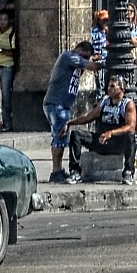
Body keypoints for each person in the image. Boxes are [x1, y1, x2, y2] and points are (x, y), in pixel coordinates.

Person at [67, 74, 137, 183]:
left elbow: (131, 126)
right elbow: (90, 116)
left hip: (117, 143)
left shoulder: (127, 104)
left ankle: (128, 172)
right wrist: (70, 123)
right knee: (76, 135)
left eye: (113, 86)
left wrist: (112, 133)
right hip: (101, 140)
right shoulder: (105, 100)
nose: (109, 89)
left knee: (130, 136)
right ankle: (75, 171)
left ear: (122, 89)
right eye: (109, 86)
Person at [42, 41, 89, 183]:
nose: (85, 60)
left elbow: (82, 70)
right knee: (60, 138)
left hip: (62, 104)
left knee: (60, 137)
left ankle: (58, 170)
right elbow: (90, 66)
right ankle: (56, 171)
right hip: (57, 104)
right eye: (85, 56)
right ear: (79, 49)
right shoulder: (68, 56)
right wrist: (101, 63)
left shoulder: (76, 64)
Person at [0, 5, 19, 131]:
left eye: (5, 19)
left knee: (5, 95)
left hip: (7, 67)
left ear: (9, 20)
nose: (2, 22)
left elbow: (14, 52)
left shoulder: (12, 32)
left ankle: (7, 122)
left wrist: (0, 50)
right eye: (0, 19)